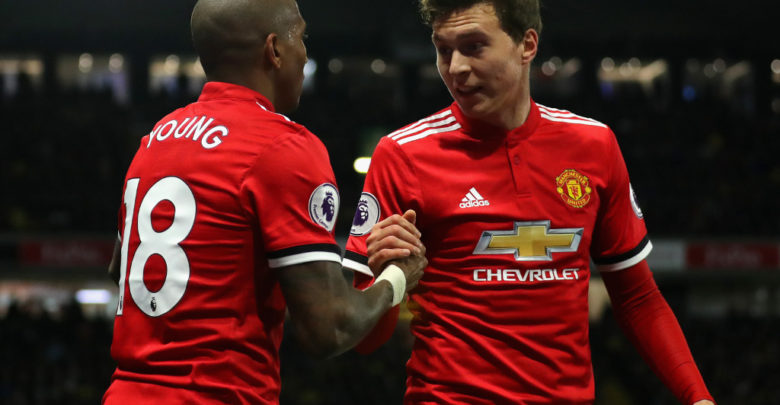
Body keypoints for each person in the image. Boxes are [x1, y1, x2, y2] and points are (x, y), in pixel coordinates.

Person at [343, 1, 716, 404]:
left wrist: (698, 397)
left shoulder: (594, 146)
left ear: (527, 44)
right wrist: (389, 277)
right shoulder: (402, 155)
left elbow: (637, 298)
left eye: (474, 46)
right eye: (443, 49)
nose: (456, 68)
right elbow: (365, 340)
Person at [102, 0, 427, 403]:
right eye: (301, 37)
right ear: (274, 49)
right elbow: (329, 329)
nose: (305, 54)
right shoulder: (282, 146)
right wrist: (397, 277)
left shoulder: (154, 141)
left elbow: (119, 270)